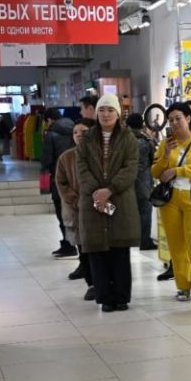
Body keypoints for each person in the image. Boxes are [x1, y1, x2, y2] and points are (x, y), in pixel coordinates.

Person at [76, 95, 140, 312]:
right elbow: (81, 167)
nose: (105, 114)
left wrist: (110, 189)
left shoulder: (128, 138)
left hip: (119, 198)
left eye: (110, 110)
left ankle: (121, 296)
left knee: (119, 251)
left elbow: (131, 167)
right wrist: (96, 191)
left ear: (118, 113)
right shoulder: (87, 138)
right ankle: (104, 297)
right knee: (97, 252)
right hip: (93, 200)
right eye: (102, 110)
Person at [151, 102, 191, 301]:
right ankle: (183, 286)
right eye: (171, 120)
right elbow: (156, 172)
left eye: (178, 118)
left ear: (188, 118)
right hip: (170, 200)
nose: (175, 123)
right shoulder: (166, 144)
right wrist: (165, 155)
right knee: (175, 245)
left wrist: (177, 171)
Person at [56, 119, 95, 301]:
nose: (79, 135)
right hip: (77, 210)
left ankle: (106, 282)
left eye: (83, 132)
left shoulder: (102, 155)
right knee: (84, 250)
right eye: (75, 132)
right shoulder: (66, 157)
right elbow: (61, 183)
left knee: (102, 250)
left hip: (100, 209)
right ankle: (92, 284)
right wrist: (75, 199)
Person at [42, 108, 77, 259]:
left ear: (49, 120)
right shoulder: (75, 130)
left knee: (62, 214)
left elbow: (46, 161)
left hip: (59, 179)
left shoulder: (51, 134)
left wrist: (44, 187)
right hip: (76, 178)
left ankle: (69, 245)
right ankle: (75, 244)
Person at [127, 113, 158, 250]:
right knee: (145, 210)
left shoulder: (123, 140)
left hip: (127, 180)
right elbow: (153, 159)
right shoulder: (146, 140)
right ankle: (145, 241)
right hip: (144, 180)